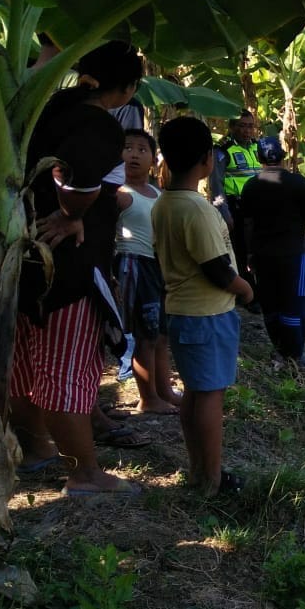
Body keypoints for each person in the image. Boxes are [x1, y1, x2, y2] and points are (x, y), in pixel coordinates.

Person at [10, 40, 147, 495]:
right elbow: (81, 175)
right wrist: (73, 212)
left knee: (28, 363)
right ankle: (84, 473)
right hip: (67, 265)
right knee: (65, 367)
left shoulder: (46, 108)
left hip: (23, 251)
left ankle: (34, 450)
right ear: (126, 89)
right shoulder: (96, 123)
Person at [152, 116, 253, 496]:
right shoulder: (195, 208)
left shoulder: (165, 202)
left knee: (196, 392)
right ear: (206, 159)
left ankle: (198, 472)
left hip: (182, 309)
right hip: (207, 313)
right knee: (210, 394)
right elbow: (217, 268)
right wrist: (246, 290)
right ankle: (211, 478)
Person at [114, 128, 179, 414]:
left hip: (157, 266)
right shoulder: (117, 194)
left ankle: (164, 390)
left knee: (161, 335)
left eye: (142, 149)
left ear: (153, 159)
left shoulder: (157, 192)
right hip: (132, 265)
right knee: (146, 334)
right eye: (128, 148)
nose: (134, 154)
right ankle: (148, 398)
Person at [240, 136, 305, 367]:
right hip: (294, 254)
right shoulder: (298, 183)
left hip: (263, 255)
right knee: (295, 304)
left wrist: (249, 253)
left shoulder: (252, 186)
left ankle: (280, 350)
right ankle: (295, 355)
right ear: (283, 155)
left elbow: (247, 223)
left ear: (258, 157)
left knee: (271, 304)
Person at [208, 111, 259, 299]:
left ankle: (259, 290)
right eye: (242, 126)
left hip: (258, 207)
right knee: (241, 250)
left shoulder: (257, 147)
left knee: (257, 248)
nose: (247, 130)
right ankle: (247, 294)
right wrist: (223, 212)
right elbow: (216, 185)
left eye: (250, 126)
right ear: (231, 127)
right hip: (235, 207)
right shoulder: (223, 149)